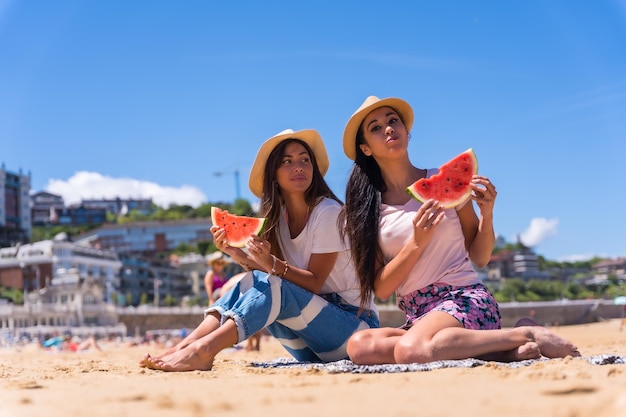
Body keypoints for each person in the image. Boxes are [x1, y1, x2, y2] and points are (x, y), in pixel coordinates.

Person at [340, 95, 580, 365]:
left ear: (407, 132)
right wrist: (416, 243)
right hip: (420, 315)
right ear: (366, 149)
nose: (388, 128)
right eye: (375, 127)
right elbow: (382, 289)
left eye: (393, 121)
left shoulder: (447, 180)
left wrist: (486, 215)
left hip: (465, 298)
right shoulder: (367, 210)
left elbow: (479, 257)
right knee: (360, 347)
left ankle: (526, 332)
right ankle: (503, 347)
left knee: (410, 351)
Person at [139, 128, 379, 371]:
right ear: (273, 175)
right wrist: (238, 255)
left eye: (304, 160)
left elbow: (313, 283)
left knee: (273, 284)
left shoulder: (327, 212)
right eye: (287, 161)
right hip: (311, 344)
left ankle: (204, 350)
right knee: (251, 278)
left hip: (353, 328)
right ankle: (186, 344)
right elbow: (278, 276)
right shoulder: (278, 221)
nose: (298, 166)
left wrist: (270, 262)